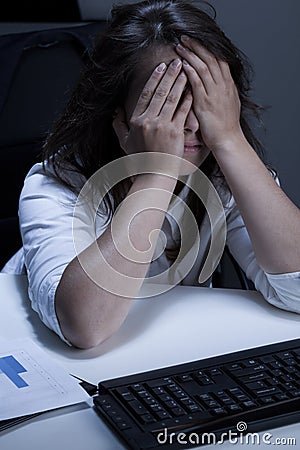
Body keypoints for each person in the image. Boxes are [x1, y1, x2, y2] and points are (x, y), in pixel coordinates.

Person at [2, 0, 300, 348]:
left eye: (205, 101)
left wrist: (230, 138)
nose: (191, 124)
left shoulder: (223, 171)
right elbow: (85, 326)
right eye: (168, 102)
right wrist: (157, 172)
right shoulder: (54, 184)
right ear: (118, 112)